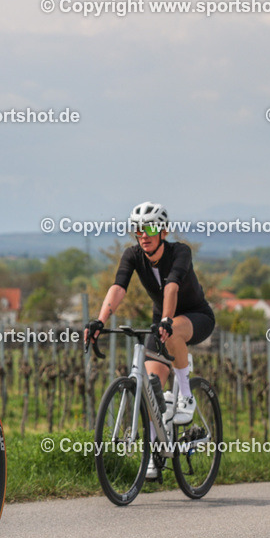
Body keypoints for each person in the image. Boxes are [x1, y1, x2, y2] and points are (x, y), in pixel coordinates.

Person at [85, 202, 215, 480]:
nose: (144, 234)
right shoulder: (132, 255)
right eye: (138, 229)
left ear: (163, 231)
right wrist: (100, 321)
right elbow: (118, 287)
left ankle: (187, 397)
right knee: (151, 387)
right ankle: (156, 453)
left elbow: (172, 286)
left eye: (150, 228)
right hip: (162, 323)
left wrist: (167, 320)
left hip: (195, 316)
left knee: (175, 333)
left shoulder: (180, 251)